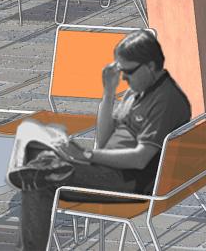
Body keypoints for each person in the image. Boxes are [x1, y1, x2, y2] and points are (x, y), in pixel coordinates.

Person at [16, 28, 192, 251]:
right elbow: (104, 139)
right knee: (34, 149)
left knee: (38, 179)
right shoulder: (136, 91)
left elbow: (140, 159)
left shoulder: (166, 100)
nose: (124, 78)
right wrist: (108, 93)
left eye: (128, 72)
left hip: (129, 181)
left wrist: (86, 155)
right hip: (108, 165)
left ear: (149, 66)